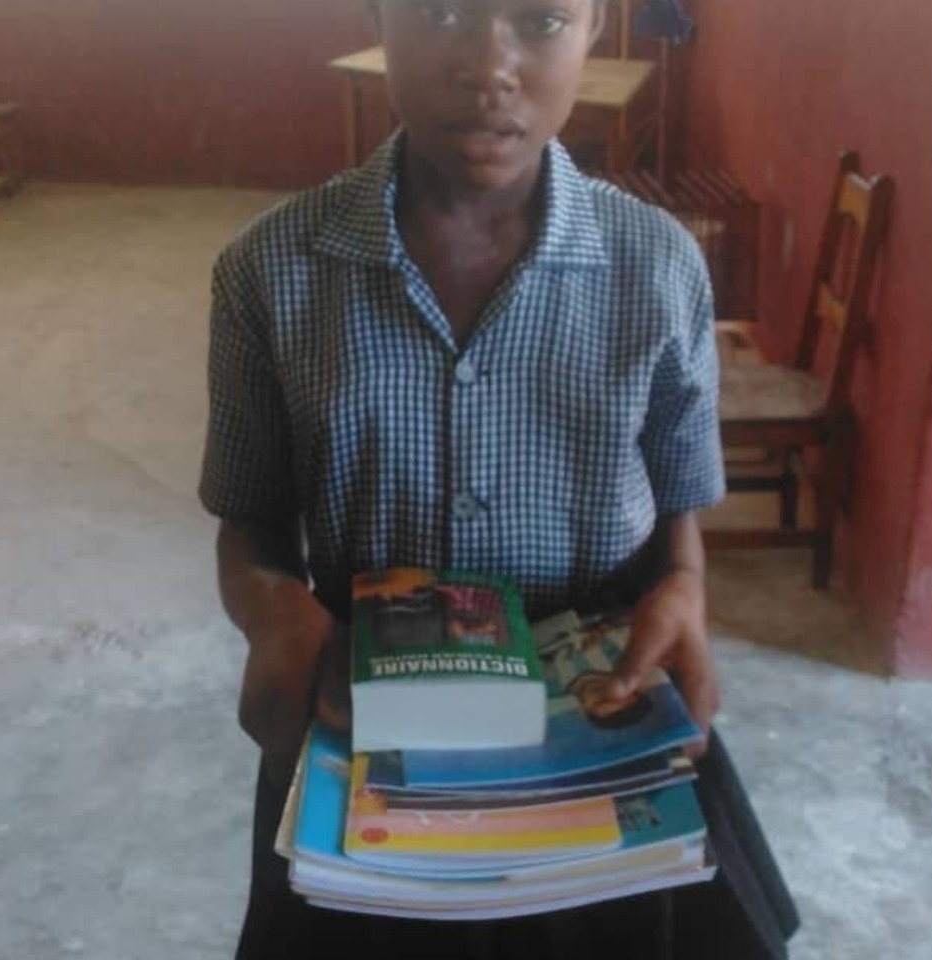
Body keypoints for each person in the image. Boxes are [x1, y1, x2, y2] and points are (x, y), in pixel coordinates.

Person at [198, 0, 799, 956]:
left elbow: (679, 508)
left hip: (602, 720)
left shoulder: (658, 265)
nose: (489, 65)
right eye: (440, 11)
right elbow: (251, 521)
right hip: (361, 714)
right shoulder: (269, 272)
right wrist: (276, 616)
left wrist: (683, 590)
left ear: (598, 23)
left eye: (540, 19)